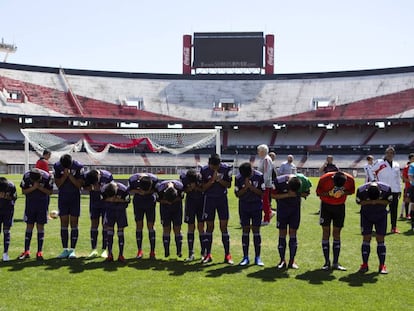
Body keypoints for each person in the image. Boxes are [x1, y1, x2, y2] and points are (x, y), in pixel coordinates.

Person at [316, 171, 355, 271]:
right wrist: (329, 194)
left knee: (337, 233)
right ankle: (326, 262)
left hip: (340, 207)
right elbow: (318, 192)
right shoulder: (324, 178)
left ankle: (336, 263)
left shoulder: (350, 179)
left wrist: (343, 192)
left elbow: (351, 191)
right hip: (326, 206)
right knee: (326, 232)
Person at [272, 173, 312, 269]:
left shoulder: (303, 180)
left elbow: (307, 193)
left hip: (295, 210)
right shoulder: (278, 181)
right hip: (282, 210)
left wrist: (298, 194)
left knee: (293, 233)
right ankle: (282, 260)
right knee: (282, 233)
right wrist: (288, 195)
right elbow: (273, 195)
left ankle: (292, 261)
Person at [200, 153, 233, 264]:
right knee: (209, 227)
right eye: (212, 167)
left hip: (222, 199)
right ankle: (208, 254)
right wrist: (212, 181)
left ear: (219, 164)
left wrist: (219, 180)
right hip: (209, 200)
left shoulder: (226, 169)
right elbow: (202, 188)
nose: (214, 169)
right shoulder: (204, 170)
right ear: (209, 164)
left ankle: (227, 255)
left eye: (216, 167)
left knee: (223, 226)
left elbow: (228, 185)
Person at [356, 181, 391, 274]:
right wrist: (376, 202)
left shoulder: (387, 189)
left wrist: (372, 202)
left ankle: (382, 265)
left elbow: (388, 201)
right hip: (366, 215)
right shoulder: (361, 190)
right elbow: (359, 202)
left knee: (380, 239)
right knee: (366, 238)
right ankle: (364, 264)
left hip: (381, 215)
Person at [54, 154, 84, 259]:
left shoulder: (79, 167)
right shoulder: (57, 166)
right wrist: (64, 176)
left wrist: (70, 176)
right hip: (63, 197)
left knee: (74, 223)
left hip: (75, 197)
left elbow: (79, 185)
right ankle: (65, 250)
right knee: (64, 223)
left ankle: (72, 250)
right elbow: (58, 184)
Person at [234, 162, 265, 266]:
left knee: (256, 230)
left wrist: (251, 187)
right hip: (244, 207)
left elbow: (262, 193)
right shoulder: (238, 178)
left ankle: (258, 257)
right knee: (245, 230)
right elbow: (237, 194)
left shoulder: (259, 176)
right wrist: (245, 188)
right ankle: (245, 257)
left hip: (256, 207)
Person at [19, 168, 53, 260]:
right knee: (29, 226)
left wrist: (40, 188)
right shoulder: (26, 176)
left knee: (40, 227)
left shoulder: (47, 177)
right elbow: (23, 191)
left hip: (42, 205)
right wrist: (33, 187)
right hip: (30, 205)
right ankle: (26, 251)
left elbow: (50, 192)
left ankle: (39, 252)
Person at [83, 169, 113, 258]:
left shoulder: (107, 176)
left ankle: (104, 249)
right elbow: (84, 186)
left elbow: (113, 190)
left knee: (105, 225)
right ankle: (94, 249)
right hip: (94, 202)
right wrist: (91, 188)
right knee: (94, 224)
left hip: (106, 203)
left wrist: (102, 190)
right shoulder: (87, 176)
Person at [128, 172, 158, 259]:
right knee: (139, 225)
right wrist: (138, 191)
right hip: (138, 202)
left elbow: (157, 189)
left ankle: (152, 251)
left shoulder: (154, 179)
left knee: (151, 225)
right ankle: (139, 250)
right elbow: (129, 190)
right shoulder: (132, 179)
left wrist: (149, 192)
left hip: (150, 202)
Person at [372, 147, 402, 233]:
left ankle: (394, 227)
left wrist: (399, 189)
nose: (390, 154)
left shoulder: (396, 164)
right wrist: (374, 182)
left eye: (392, 153)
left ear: (394, 154)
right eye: (388, 153)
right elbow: (371, 170)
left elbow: (398, 178)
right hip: (383, 190)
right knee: (380, 209)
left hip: (394, 190)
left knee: (394, 210)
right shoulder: (379, 162)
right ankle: (377, 227)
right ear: (385, 153)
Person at [180, 168, 205, 262]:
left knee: (201, 227)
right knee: (191, 226)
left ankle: (204, 252)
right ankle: (191, 253)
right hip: (190, 203)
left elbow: (204, 189)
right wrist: (189, 188)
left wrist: (196, 188)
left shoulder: (200, 177)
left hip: (201, 202)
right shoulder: (184, 178)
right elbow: (183, 190)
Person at [101, 181, 130, 262]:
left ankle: (121, 255)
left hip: (120, 211)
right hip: (110, 211)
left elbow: (128, 201)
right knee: (109, 231)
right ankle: (110, 254)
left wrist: (118, 200)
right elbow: (102, 200)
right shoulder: (104, 189)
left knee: (120, 231)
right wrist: (110, 200)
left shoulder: (124, 190)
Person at [156, 179, 184, 258]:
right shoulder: (159, 189)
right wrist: (167, 202)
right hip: (165, 208)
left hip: (177, 207)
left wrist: (173, 201)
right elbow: (158, 200)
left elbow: (181, 197)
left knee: (177, 228)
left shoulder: (180, 187)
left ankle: (179, 251)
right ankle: (166, 251)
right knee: (166, 228)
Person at [256, 144, 276, 226]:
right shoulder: (263, 159)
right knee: (264, 201)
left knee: (265, 201)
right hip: (264, 183)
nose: (258, 152)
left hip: (265, 184)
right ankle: (269, 213)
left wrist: (262, 183)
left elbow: (267, 173)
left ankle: (267, 218)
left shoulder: (266, 160)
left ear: (262, 151)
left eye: (259, 151)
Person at [0, 177, 17, 261]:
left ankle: (5, 253)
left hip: (8, 210)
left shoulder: (11, 185)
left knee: (6, 231)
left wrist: (8, 197)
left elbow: (15, 198)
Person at [401, 153, 414, 219]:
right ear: (410, 159)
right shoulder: (406, 168)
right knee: (407, 201)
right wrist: (411, 181)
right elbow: (404, 178)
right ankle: (407, 215)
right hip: (409, 187)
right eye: (413, 158)